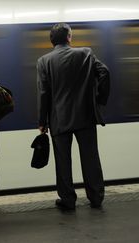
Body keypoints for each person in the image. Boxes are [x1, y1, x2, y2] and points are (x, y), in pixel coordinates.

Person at [36, 23, 110, 211]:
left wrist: (42, 122)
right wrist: (99, 100)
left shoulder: (44, 61)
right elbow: (104, 73)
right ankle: (96, 198)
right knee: (90, 158)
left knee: (63, 161)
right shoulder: (86, 53)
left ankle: (68, 200)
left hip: (59, 119)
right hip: (85, 116)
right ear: (69, 37)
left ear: (52, 40)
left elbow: (44, 93)